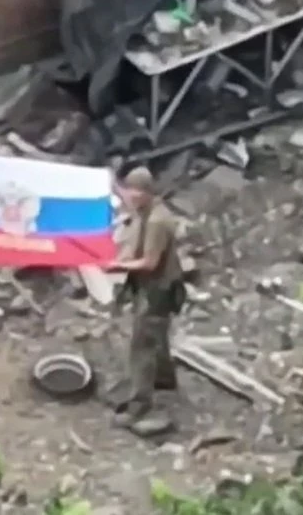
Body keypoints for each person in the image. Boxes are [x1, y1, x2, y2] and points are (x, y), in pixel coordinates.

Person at [107, 166, 186, 430]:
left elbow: (150, 263)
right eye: (129, 190)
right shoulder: (145, 212)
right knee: (156, 334)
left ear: (148, 192)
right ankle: (164, 379)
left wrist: (117, 267)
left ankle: (139, 404)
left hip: (158, 288)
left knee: (142, 345)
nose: (131, 195)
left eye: (137, 191)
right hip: (152, 285)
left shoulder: (156, 221)